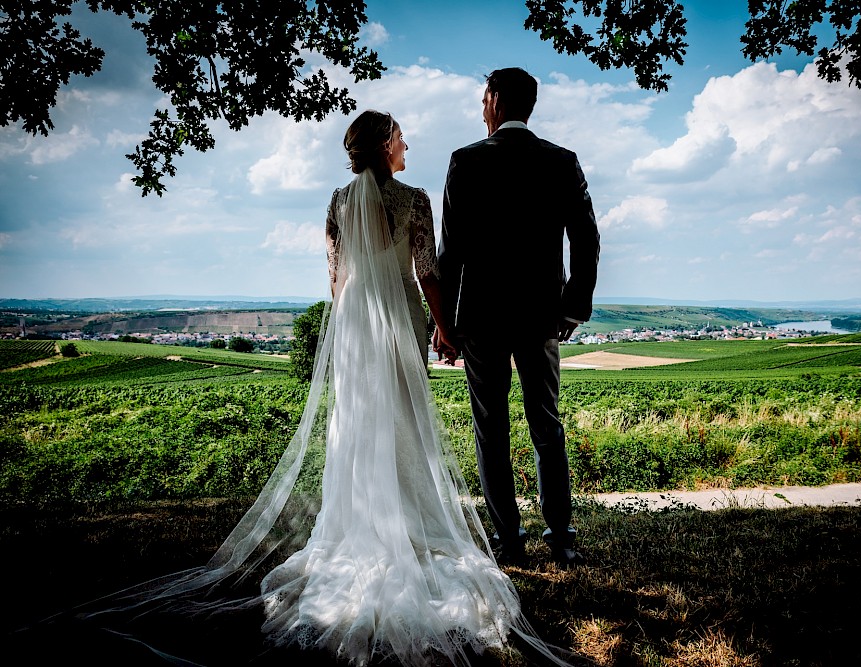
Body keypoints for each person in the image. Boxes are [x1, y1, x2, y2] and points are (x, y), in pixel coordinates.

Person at [37, 110, 574, 667]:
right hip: (400, 322)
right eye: (400, 136)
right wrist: (443, 326)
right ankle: (420, 521)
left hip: (357, 328)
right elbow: (427, 274)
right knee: (404, 419)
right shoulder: (414, 199)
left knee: (362, 420)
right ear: (386, 145)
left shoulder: (338, 202)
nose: (407, 142)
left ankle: (365, 519)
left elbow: (336, 280)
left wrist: (350, 334)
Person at [435, 68, 601, 568]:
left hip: (481, 318)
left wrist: (445, 325)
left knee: (493, 428)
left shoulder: (465, 161)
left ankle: (509, 540)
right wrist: (572, 304)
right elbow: (587, 238)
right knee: (546, 424)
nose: (481, 107)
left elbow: (452, 253)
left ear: (497, 102)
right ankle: (562, 537)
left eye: (483, 97)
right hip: (539, 316)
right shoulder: (561, 161)